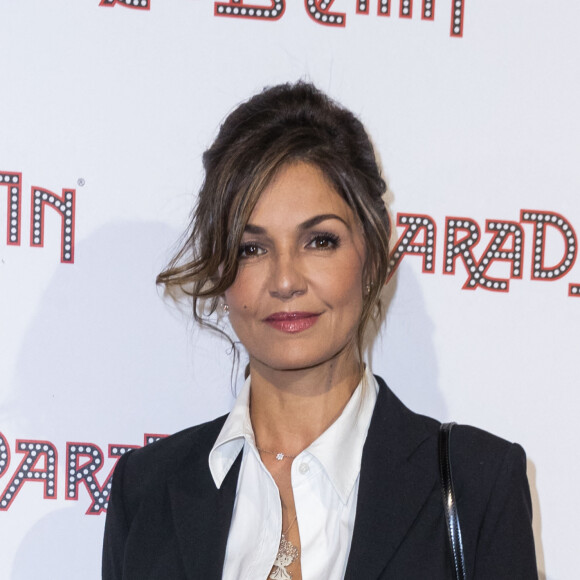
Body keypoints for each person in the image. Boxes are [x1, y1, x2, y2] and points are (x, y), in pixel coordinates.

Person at [102, 82, 538, 579]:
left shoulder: (478, 483)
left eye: (320, 241)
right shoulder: (147, 491)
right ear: (221, 271)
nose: (285, 281)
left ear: (372, 258)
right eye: (252, 248)